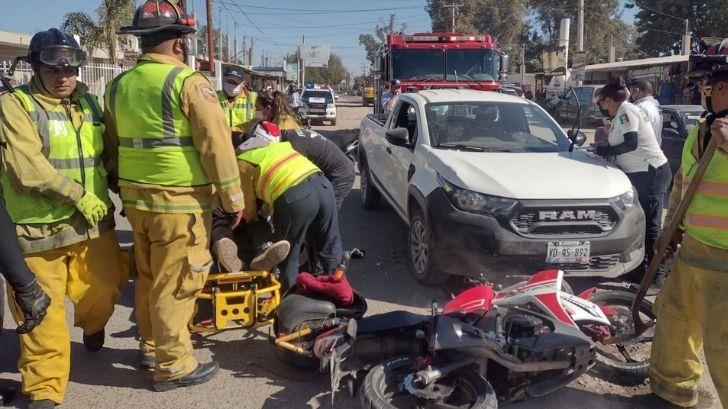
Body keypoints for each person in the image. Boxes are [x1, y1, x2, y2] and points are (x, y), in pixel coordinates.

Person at [108, 0, 245, 391]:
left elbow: (113, 145)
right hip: (179, 205)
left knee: (151, 278)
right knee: (178, 282)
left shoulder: (119, 86)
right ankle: (173, 365)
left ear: (141, 41)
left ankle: (151, 346)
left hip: (137, 204)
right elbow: (216, 146)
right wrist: (233, 200)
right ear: (179, 44)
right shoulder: (188, 83)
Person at [0, 28, 129, 409]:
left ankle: (92, 324)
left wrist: (123, 184)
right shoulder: (15, 106)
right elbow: (27, 168)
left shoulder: (89, 105)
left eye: (71, 70)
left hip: (93, 228)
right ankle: (44, 389)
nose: (64, 78)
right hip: (38, 234)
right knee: (43, 314)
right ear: (36, 69)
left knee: (105, 290)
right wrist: (78, 195)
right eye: (54, 71)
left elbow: (107, 154)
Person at [645, 40, 728, 409]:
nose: (701, 90)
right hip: (694, 250)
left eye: (706, 83)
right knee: (675, 323)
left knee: (723, 345)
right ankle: (672, 397)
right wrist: (672, 228)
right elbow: (684, 181)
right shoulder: (702, 129)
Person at [235, 121, 343, 289]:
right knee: (330, 247)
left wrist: (253, 222)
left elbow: (249, 210)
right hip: (324, 186)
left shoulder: (243, 161)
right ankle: (338, 296)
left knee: (288, 255)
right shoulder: (284, 147)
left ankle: (289, 303)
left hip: (295, 196)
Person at [594, 81, 671, 283]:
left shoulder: (627, 111)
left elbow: (631, 143)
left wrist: (604, 151)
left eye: (601, 102)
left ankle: (656, 274)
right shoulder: (621, 114)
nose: (600, 107)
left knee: (652, 225)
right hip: (640, 173)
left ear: (609, 100)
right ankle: (642, 268)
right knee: (642, 223)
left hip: (651, 172)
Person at [630, 79, 663, 146]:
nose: (631, 97)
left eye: (631, 94)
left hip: (641, 152)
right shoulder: (656, 105)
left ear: (636, 91)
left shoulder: (639, 107)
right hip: (655, 149)